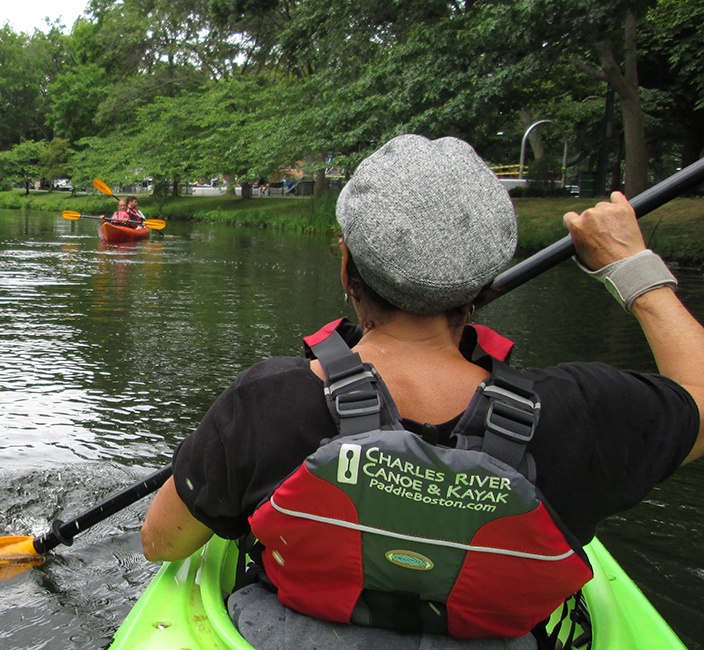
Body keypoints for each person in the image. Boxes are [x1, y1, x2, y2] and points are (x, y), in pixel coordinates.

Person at [140, 134, 704, 648]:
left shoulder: (267, 402)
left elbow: (161, 542)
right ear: (485, 282)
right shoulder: (584, 413)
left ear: (345, 266)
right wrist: (634, 267)